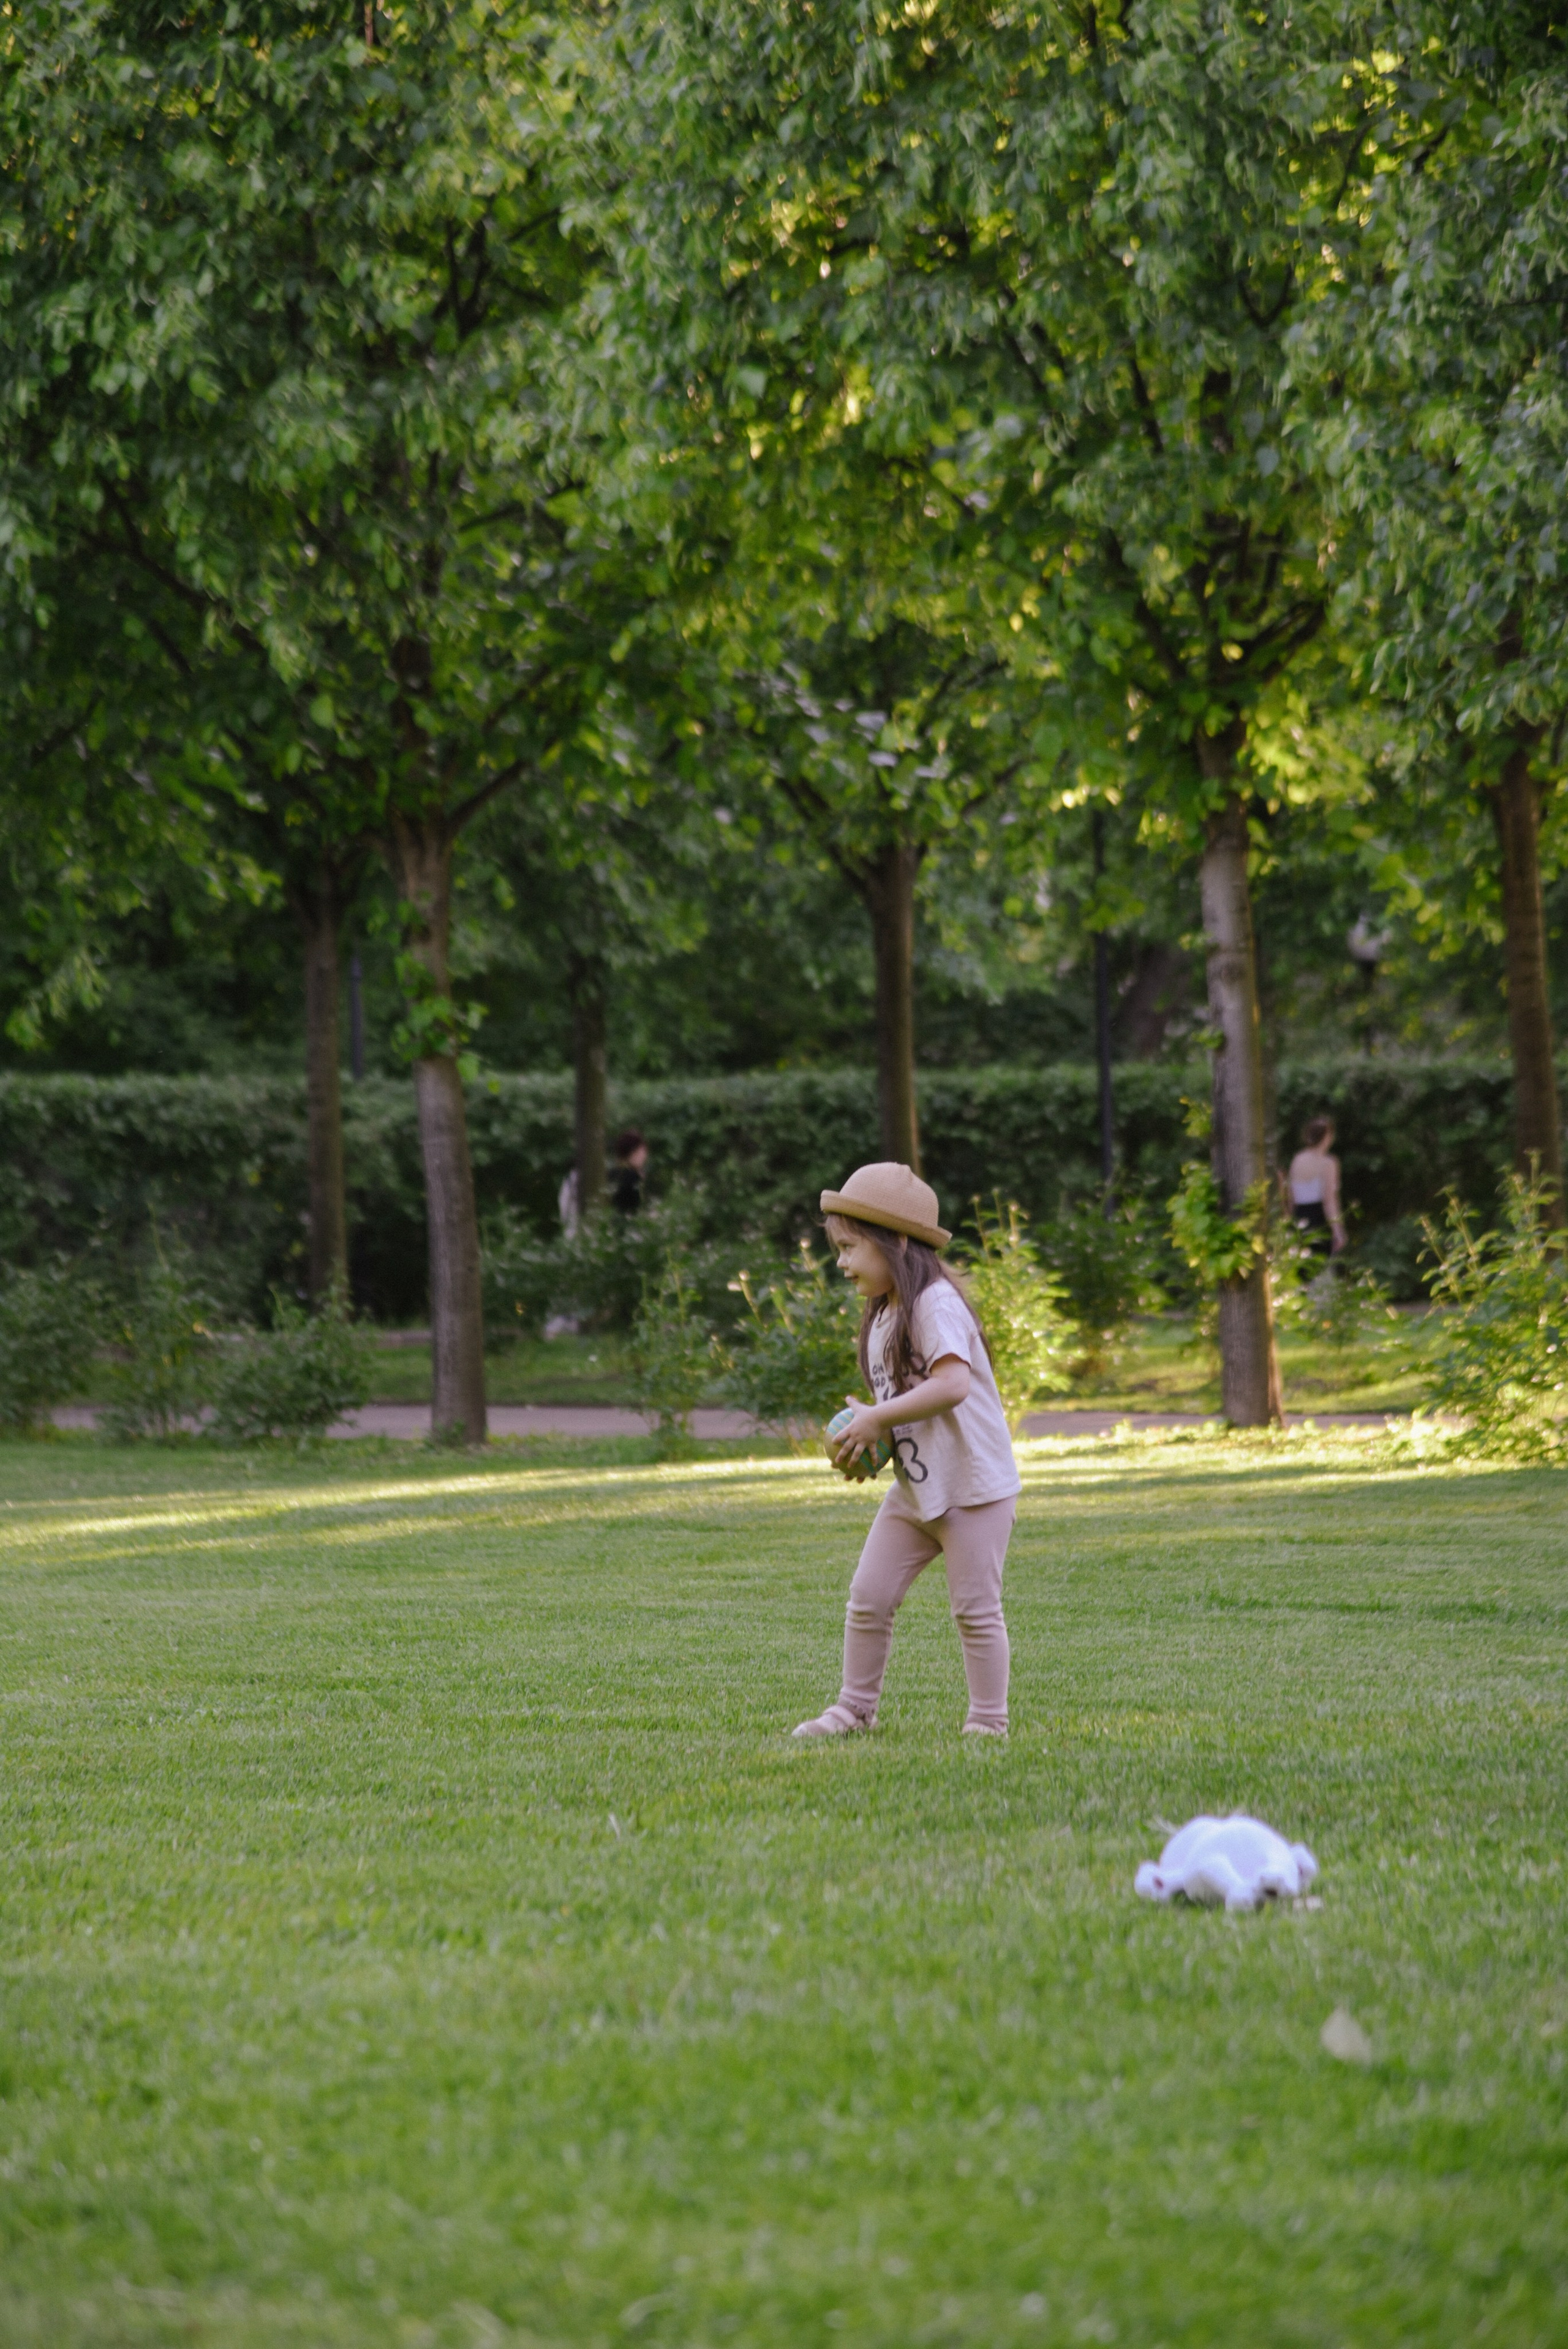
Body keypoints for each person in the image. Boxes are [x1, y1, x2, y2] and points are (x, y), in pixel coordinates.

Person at [793, 1160, 1021, 1741]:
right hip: (918, 1489)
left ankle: (989, 1721)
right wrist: (873, 1440)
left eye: (849, 1247)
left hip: (972, 1487)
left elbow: (951, 1386)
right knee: (869, 1597)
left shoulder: (934, 1303)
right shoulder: (884, 1314)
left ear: (895, 1241)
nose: (841, 1261)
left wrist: (877, 1417)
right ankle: (854, 1709)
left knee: (975, 1610)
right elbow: (906, 1408)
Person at [1284, 1115, 1347, 1257]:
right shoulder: (1328, 1163)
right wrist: (1338, 1231)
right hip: (1319, 1219)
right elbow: (1329, 1200)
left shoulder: (1297, 1160)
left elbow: (1291, 1197)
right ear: (1326, 1137)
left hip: (1299, 1218)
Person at [611, 1128, 648, 1215]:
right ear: (633, 1152)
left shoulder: (611, 1174)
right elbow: (635, 1210)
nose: (644, 1157)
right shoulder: (633, 1177)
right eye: (642, 1152)